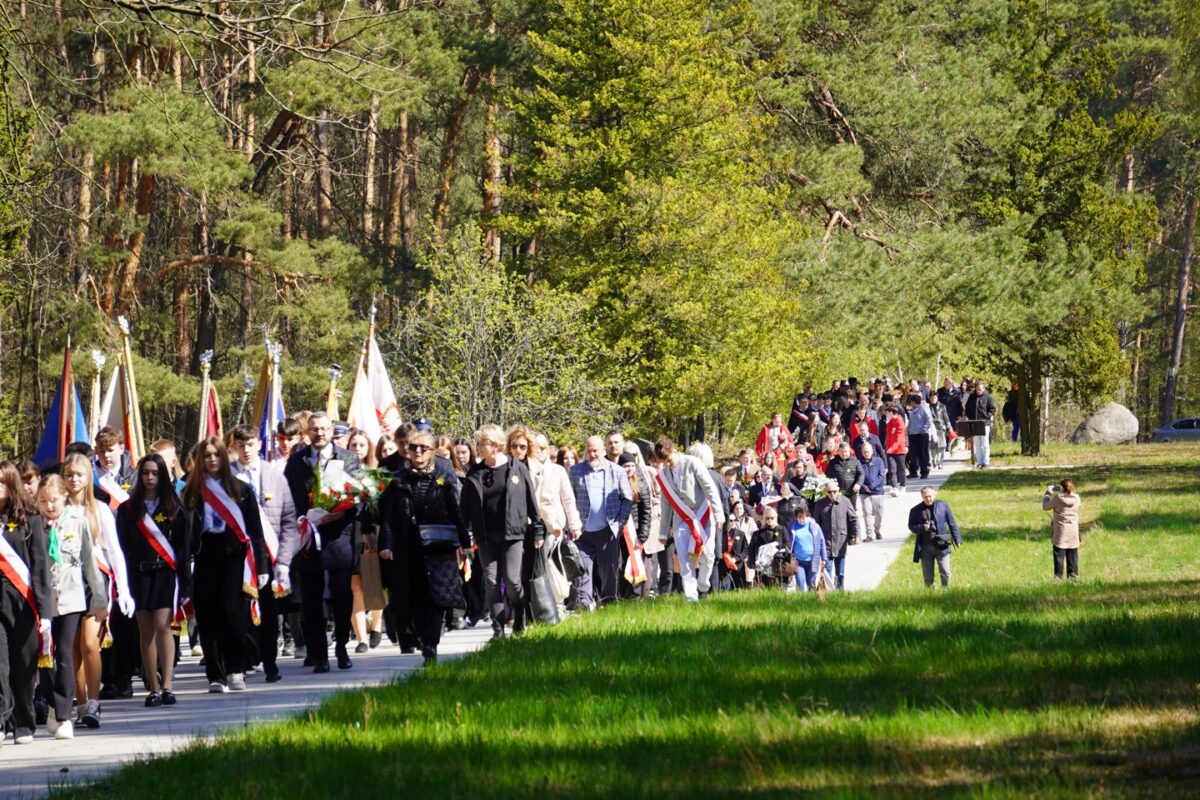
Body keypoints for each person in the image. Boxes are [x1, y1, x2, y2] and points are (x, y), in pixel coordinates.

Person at [183, 437, 269, 693]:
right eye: (206, 456)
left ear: (223, 457)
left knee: (231, 612)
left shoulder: (242, 491)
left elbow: (255, 532)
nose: (211, 460)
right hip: (204, 554)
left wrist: (262, 566)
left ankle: (235, 669)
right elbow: (183, 532)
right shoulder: (190, 492)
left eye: (216, 455)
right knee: (207, 616)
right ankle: (215, 675)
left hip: (233, 555)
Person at [378, 430, 470, 661]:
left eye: (423, 448)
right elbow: (387, 517)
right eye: (413, 448)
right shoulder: (397, 479)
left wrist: (465, 542)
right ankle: (419, 635)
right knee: (414, 595)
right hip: (408, 545)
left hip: (439, 545)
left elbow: (456, 512)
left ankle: (431, 642)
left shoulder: (444, 476)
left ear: (432, 452)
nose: (417, 452)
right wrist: (386, 543)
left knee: (436, 594)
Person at [283, 412, 361, 672]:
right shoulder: (296, 462)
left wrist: (343, 512)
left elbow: (362, 496)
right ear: (308, 431)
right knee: (311, 600)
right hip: (307, 540)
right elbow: (288, 499)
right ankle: (319, 655)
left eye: (324, 429)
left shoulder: (348, 459)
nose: (320, 433)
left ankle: (340, 648)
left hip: (339, 538)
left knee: (341, 595)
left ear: (331, 431)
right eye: (315, 429)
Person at [62, 453, 132, 728]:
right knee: (72, 648)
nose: (74, 479)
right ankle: (80, 704)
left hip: (95, 582)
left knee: (90, 643)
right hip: (68, 583)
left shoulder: (99, 509)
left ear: (88, 477)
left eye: (79, 474)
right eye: (69, 475)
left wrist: (124, 590)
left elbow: (114, 550)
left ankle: (94, 700)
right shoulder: (59, 508)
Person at [115, 454, 191, 706]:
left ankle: (168, 683)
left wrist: (185, 581)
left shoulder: (174, 508)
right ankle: (153, 686)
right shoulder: (128, 509)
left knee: (163, 626)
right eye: (145, 473)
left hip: (165, 574)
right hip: (138, 575)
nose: (149, 478)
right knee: (145, 630)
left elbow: (183, 547)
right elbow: (122, 546)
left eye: (155, 473)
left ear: (162, 475)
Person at [35, 475, 106, 738]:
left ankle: (64, 715)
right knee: (45, 658)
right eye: (43, 501)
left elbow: (89, 561)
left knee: (64, 654)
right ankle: (53, 704)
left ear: (64, 497)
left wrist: (100, 599)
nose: (49, 506)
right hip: (43, 600)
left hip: (71, 597)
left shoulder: (77, 522)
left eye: (53, 500)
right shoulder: (34, 524)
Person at [461, 424, 545, 638]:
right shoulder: (474, 473)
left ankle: (519, 612)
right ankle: (498, 628)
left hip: (513, 535)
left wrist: (537, 530)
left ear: (496, 446)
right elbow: (465, 509)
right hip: (486, 537)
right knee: (490, 581)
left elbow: (531, 501)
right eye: (478, 443)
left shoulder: (517, 468)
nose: (478, 447)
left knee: (512, 580)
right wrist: (464, 536)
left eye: (482, 444)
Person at [231, 424, 300, 682]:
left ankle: (270, 663)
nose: (246, 450)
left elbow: (289, 520)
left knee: (269, 614)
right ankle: (245, 662)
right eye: (241, 445)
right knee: (240, 613)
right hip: (238, 557)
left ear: (258, 445)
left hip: (268, 557)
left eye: (250, 444)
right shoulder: (226, 478)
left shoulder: (275, 475)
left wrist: (283, 560)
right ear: (235, 447)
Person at [0, 461, 51, 746]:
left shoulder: (30, 519)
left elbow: (40, 567)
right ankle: (1, 719)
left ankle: (23, 721)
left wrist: (45, 611)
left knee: (23, 665)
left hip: (23, 601)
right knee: (0, 664)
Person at [653, 437, 724, 603]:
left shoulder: (693, 463)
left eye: (669, 460)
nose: (667, 464)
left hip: (703, 514)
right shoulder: (664, 475)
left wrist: (719, 514)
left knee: (708, 556)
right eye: (664, 462)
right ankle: (691, 597)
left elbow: (709, 488)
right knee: (685, 560)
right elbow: (666, 504)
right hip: (681, 518)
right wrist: (663, 532)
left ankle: (703, 587)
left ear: (674, 451)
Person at [568, 436, 633, 610]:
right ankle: (584, 604)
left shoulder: (616, 471)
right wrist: (572, 524)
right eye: (589, 451)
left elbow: (627, 499)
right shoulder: (575, 471)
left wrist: (619, 523)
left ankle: (609, 603)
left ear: (603, 450)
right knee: (582, 570)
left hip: (608, 530)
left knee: (609, 571)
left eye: (595, 450)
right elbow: (569, 499)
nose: (592, 454)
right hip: (582, 532)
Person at [907, 486, 962, 588]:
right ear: (922, 497)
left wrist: (957, 539)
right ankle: (930, 595)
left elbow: (952, 523)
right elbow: (911, 526)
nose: (928, 499)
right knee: (928, 576)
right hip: (925, 546)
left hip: (942, 544)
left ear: (934, 494)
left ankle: (946, 591)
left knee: (945, 571)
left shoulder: (943, 505)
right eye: (925, 497)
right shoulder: (915, 510)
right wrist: (923, 528)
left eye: (930, 496)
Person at [812, 480, 858, 590]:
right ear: (825, 492)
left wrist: (855, 535)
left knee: (840, 572)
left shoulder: (845, 502)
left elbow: (853, 519)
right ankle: (829, 592)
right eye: (829, 492)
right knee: (827, 571)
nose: (832, 494)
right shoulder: (820, 504)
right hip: (826, 542)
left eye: (834, 491)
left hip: (840, 541)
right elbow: (816, 524)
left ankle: (840, 591)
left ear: (838, 491)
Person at [1043, 479, 1081, 579]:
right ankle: (1073, 578)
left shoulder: (1057, 499)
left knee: (1059, 557)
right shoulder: (1077, 498)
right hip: (1073, 533)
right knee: (1072, 557)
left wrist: (1048, 493)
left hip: (1060, 533)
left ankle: (1058, 578)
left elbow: (1045, 507)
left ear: (1062, 488)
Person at [788, 501, 827, 592]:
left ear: (807, 515)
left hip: (813, 560)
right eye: (799, 517)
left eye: (803, 517)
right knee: (801, 584)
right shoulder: (793, 527)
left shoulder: (814, 526)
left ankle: (811, 602)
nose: (801, 520)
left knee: (811, 584)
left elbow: (822, 542)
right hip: (799, 561)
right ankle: (801, 603)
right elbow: (790, 543)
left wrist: (824, 558)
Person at [748, 507, 788, 588]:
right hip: (763, 566)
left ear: (775, 518)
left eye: (772, 518)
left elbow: (787, 546)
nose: (769, 520)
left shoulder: (782, 530)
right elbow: (751, 549)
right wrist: (752, 564)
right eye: (767, 518)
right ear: (763, 518)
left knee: (780, 588)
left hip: (779, 564)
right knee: (765, 588)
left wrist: (776, 545)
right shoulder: (757, 533)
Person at [964, 380, 996, 469]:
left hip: (984, 424)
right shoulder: (972, 397)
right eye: (977, 389)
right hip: (974, 423)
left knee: (985, 443)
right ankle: (980, 461)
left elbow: (992, 409)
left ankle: (986, 462)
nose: (979, 391)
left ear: (983, 388)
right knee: (977, 444)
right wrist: (970, 418)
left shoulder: (988, 397)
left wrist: (987, 417)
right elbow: (967, 408)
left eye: (980, 389)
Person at [858, 443, 886, 542]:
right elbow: (857, 477)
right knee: (867, 512)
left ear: (872, 451)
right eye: (864, 452)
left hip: (877, 491)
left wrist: (872, 486)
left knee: (879, 513)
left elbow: (881, 475)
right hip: (864, 492)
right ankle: (869, 534)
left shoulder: (879, 461)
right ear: (862, 452)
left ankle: (877, 530)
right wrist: (865, 487)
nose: (866, 453)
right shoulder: (859, 463)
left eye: (868, 451)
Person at [754, 412, 796, 477]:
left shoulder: (783, 428)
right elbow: (759, 442)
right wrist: (760, 454)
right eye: (778, 420)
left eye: (780, 420)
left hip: (780, 454)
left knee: (780, 471)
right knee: (767, 471)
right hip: (769, 454)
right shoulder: (766, 429)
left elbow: (790, 440)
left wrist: (788, 449)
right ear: (773, 419)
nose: (780, 421)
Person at [905, 393, 933, 480]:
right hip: (913, 435)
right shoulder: (913, 411)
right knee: (913, 454)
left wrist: (924, 429)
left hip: (922, 435)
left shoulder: (924, 409)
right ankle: (913, 472)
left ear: (914, 402)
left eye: (912, 402)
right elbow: (910, 422)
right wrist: (908, 430)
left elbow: (929, 420)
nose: (911, 404)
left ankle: (924, 472)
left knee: (923, 454)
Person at [883, 405, 908, 495]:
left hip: (899, 451)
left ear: (891, 412)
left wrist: (892, 448)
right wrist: (886, 447)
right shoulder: (889, 422)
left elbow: (900, 439)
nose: (886, 414)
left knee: (901, 469)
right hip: (890, 450)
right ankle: (893, 487)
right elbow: (888, 436)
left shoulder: (900, 422)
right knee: (892, 469)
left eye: (887, 412)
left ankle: (903, 485)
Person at [927, 391, 952, 469]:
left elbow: (946, 417)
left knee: (941, 446)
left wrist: (949, 427)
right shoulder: (927, 407)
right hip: (931, 428)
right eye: (931, 398)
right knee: (932, 446)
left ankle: (940, 462)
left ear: (937, 398)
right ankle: (934, 461)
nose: (933, 399)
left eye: (934, 398)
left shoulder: (942, 406)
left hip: (941, 428)